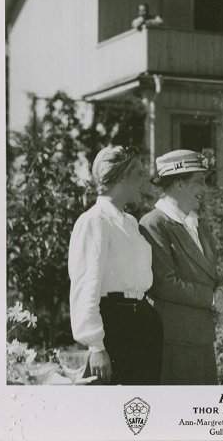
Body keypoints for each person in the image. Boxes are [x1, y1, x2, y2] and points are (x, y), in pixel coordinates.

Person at [68, 146, 162, 385]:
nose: (146, 179)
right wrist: (96, 346)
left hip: (141, 322)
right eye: (139, 174)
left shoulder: (129, 222)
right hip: (115, 327)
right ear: (121, 176)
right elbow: (85, 286)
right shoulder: (94, 221)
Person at [139, 150, 223, 384]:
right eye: (199, 182)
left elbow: (212, 274)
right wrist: (211, 298)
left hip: (202, 340)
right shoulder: (154, 224)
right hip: (174, 342)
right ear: (179, 183)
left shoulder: (199, 225)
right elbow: (164, 283)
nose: (205, 189)